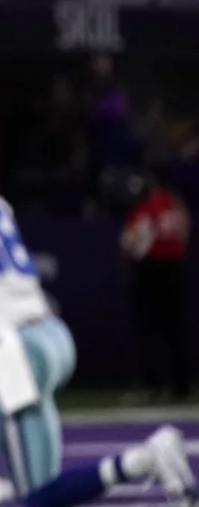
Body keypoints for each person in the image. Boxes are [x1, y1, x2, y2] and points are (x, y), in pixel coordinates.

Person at [0, 182, 196, 507]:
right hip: (49, 334)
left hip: (14, 352)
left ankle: (146, 458)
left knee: (35, 500)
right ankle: (140, 460)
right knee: (41, 486)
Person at [120, 166, 190, 400]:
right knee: (175, 329)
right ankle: (181, 386)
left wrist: (131, 251)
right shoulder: (173, 204)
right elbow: (184, 228)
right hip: (175, 268)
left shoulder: (146, 208)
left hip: (153, 271)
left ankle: (154, 385)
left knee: (150, 330)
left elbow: (131, 243)